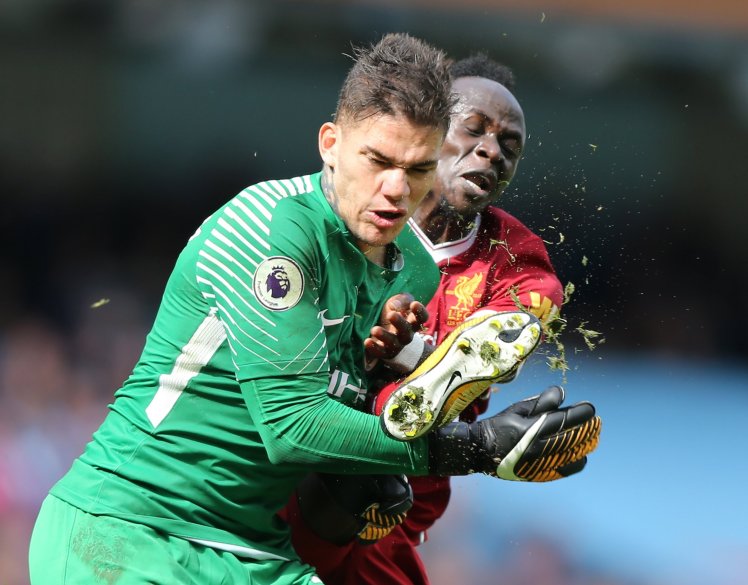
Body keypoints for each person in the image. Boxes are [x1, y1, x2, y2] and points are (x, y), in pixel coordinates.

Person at [28, 33, 455, 585]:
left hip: (253, 553)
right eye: (377, 160)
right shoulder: (270, 228)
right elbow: (293, 426)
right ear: (330, 144)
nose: (396, 188)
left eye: (418, 169)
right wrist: (472, 449)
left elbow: (360, 408)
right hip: (129, 530)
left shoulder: (416, 272)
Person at [283, 53, 597, 584]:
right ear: (427, 132)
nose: (492, 151)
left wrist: (410, 353)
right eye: (473, 128)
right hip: (304, 473)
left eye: (510, 146)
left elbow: (506, 342)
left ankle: (419, 398)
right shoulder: (345, 216)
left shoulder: (516, 258)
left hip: (398, 503)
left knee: (375, 486)